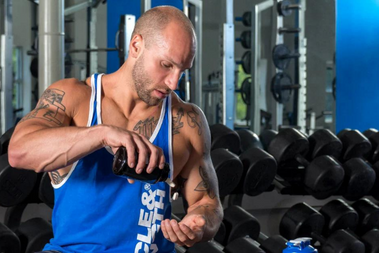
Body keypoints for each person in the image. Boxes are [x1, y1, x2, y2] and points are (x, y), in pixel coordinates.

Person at [8, 5, 223, 253]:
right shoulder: (75, 98)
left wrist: (199, 223)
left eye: (182, 71)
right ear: (136, 46)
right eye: (166, 65)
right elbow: (19, 151)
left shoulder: (186, 121)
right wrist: (102, 134)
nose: (174, 82)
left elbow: (207, 202)